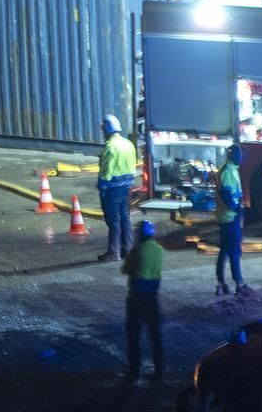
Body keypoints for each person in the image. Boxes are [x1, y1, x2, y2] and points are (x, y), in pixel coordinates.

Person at [121, 218, 164, 383]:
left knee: (134, 334)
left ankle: (134, 370)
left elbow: (125, 269)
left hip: (137, 296)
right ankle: (159, 367)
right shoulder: (159, 249)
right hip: (153, 296)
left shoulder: (138, 250)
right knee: (155, 334)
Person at [97, 113, 139, 262]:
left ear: (107, 130)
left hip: (112, 190)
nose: (103, 133)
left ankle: (113, 252)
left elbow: (106, 172)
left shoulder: (111, 147)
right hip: (126, 188)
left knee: (113, 221)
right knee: (125, 218)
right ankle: (128, 249)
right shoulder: (128, 144)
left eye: (103, 131)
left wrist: (101, 186)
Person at [215, 144, 250, 296]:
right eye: (240, 155)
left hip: (225, 216)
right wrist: (238, 209)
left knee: (225, 251)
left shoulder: (229, 169)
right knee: (234, 251)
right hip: (230, 217)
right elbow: (227, 196)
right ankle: (239, 284)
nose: (242, 158)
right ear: (234, 156)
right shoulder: (229, 171)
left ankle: (221, 283)